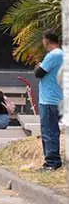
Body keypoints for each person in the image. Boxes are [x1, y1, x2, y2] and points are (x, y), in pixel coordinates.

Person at [34, 29, 64, 171]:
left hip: (49, 100)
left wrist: (39, 65)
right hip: (57, 98)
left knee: (49, 131)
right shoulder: (62, 54)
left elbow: (39, 73)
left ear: (46, 40)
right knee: (52, 130)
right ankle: (52, 160)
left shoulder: (53, 55)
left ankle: (52, 162)